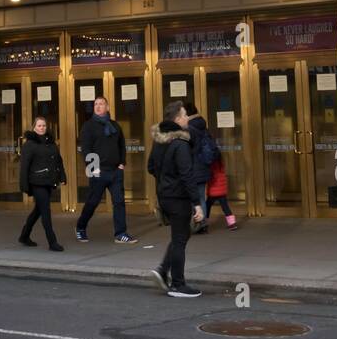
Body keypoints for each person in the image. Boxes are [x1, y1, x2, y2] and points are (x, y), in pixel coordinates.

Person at [147, 101, 204, 298]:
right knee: (180, 240)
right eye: (185, 115)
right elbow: (187, 175)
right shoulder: (180, 144)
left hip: (165, 196)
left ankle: (163, 270)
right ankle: (178, 284)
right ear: (177, 119)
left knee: (180, 235)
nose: (188, 118)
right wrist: (197, 203)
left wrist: (165, 180)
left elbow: (151, 167)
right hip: (178, 198)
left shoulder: (159, 141)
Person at [76, 96, 137, 243]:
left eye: (101, 104)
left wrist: (121, 163)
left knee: (119, 202)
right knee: (93, 202)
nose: (98, 106)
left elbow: (121, 145)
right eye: (96, 104)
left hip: (115, 171)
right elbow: (86, 149)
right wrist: (93, 170)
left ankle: (120, 233)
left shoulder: (115, 126)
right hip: (98, 170)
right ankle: (80, 227)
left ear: (107, 107)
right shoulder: (88, 126)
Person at [18, 116, 66, 252]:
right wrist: (24, 186)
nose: (42, 128)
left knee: (38, 210)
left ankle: (24, 235)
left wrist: (62, 176)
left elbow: (59, 161)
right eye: (39, 126)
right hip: (37, 182)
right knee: (45, 211)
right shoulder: (29, 145)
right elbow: (24, 167)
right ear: (34, 127)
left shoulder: (51, 143)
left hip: (48, 182)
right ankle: (52, 242)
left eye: (44, 126)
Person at [183, 100, 220, 235]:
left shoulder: (189, 128)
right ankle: (202, 224)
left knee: (193, 197)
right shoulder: (202, 124)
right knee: (200, 196)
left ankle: (195, 224)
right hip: (203, 167)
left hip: (192, 168)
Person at [204, 156, 239, 229]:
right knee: (225, 206)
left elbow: (209, 175)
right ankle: (232, 223)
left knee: (207, 206)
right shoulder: (221, 163)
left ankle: (204, 222)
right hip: (222, 190)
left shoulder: (210, 164)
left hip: (213, 190)